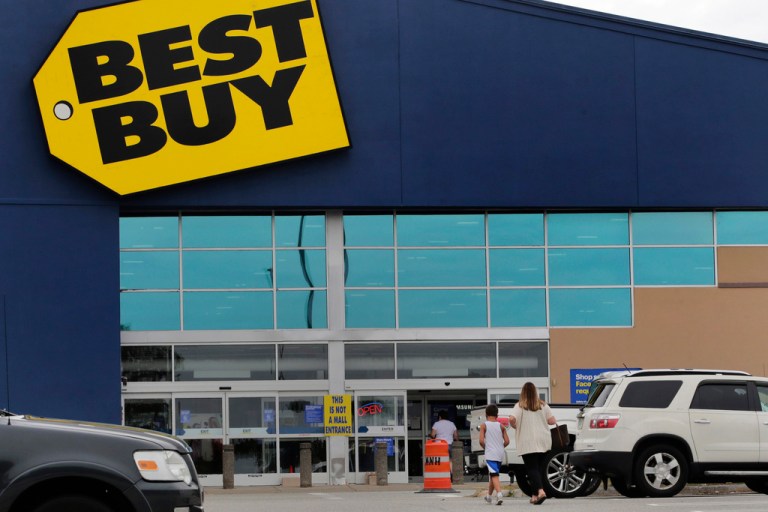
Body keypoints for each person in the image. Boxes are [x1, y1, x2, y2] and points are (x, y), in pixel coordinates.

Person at [509, 382, 557, 505]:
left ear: (523, 392)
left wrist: (515, 426)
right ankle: (535, 496)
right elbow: (552, 421)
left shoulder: (519, 406)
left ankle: (541, 492)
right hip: (543, 440)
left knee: (532, 468)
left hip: (528, 441)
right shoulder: (543, 405)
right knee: (538, 469)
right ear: (535, 392)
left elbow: (511, 419)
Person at [479, 404, 510, 505]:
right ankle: (488, 496)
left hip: (490, 453)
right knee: (493, 474)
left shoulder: (484, 425)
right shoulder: (501, 426)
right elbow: (507, 441)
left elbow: (481, 441)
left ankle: (499, 494)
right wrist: (500, 447)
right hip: (500, 453)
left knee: (494, 475)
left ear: (486, 414)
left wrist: (486, 448)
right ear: (497, 414)